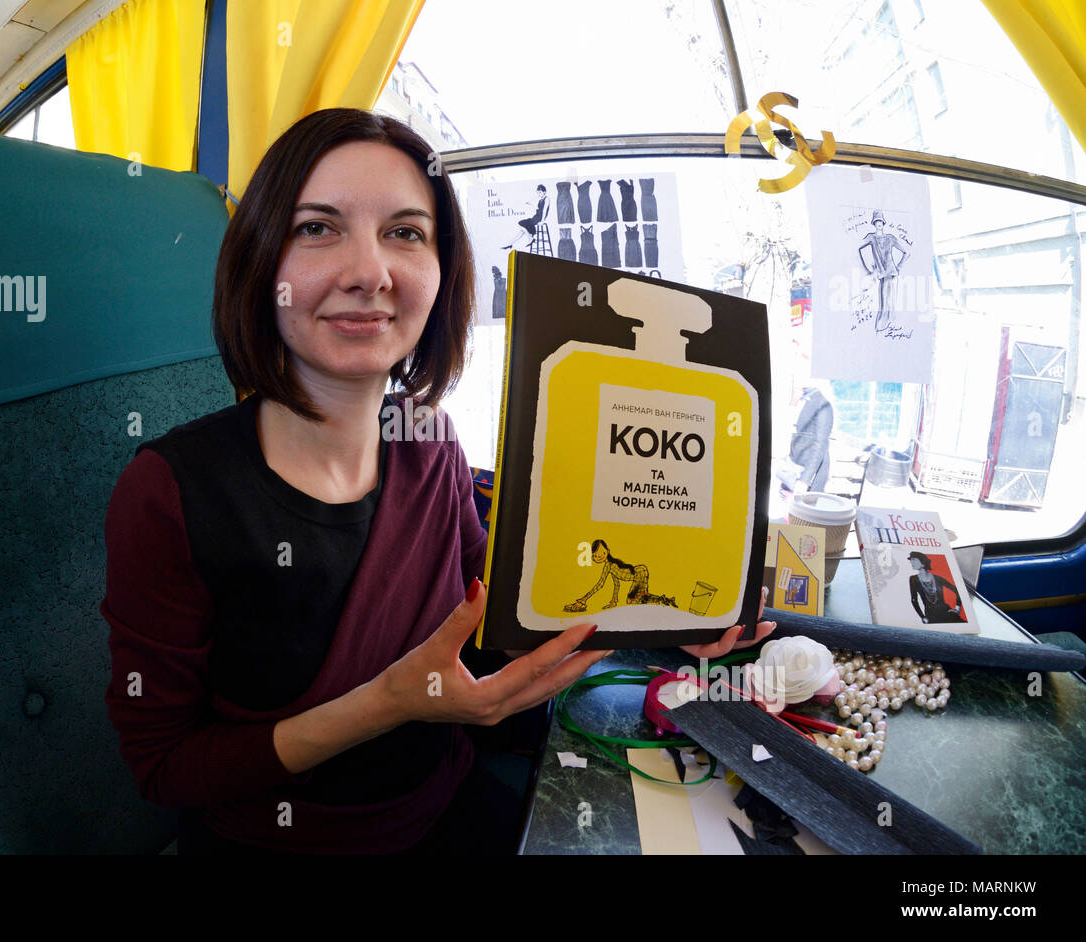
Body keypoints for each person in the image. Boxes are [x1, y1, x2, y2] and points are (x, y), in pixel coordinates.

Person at [100, 108, 772, 856]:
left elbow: (495, 618)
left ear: (441, 272)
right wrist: (388, 702)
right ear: (262, 262)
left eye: (406, 232)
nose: (369, 272)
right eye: (318, 228)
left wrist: (675, 614)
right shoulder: (168, 491)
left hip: (448, 808)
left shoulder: (429, 439)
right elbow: (162, 767)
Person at [781, 383, 834, 497]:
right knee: (789, 510)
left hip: (807, 474)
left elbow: (820, 444)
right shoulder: (802, 401)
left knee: (805, 511)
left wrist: (805, 480)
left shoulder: (822, 405)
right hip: (793, 468)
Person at [906, 552, 965, 624]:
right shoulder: (913, 579)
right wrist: (922, 617)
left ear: (922, 562)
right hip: (931, 616)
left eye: (914, 559)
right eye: (911, 560)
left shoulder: (937, 578)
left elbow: (957, 590)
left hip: (947, 613)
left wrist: (957, 608)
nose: (911, 562)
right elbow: (914, 600)